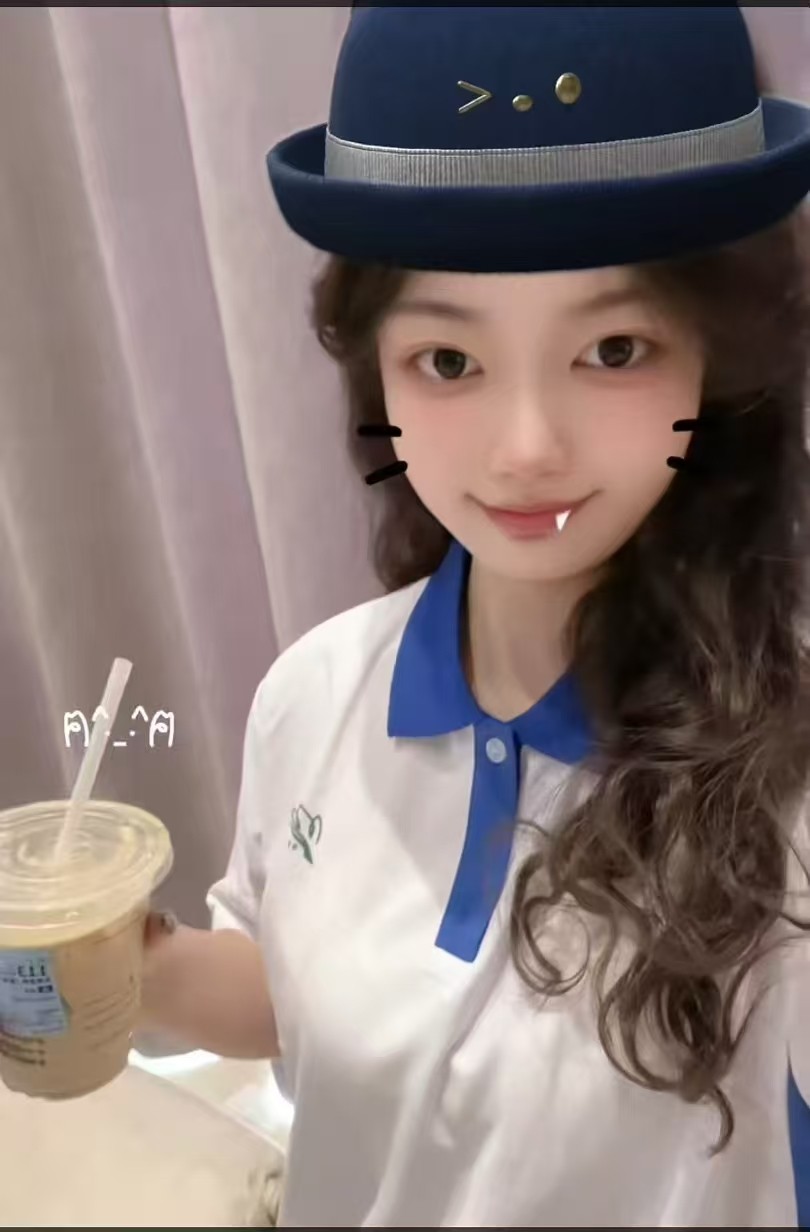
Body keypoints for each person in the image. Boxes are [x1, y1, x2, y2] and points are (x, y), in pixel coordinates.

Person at [140, 7, 810, 1226]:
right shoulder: (314, 694)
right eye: (449, 362)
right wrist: (137, 967)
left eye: (615, 348)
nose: (525, 449)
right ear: (379, 371)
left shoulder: (788, 768)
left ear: (717, 353)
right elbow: (303, 994)